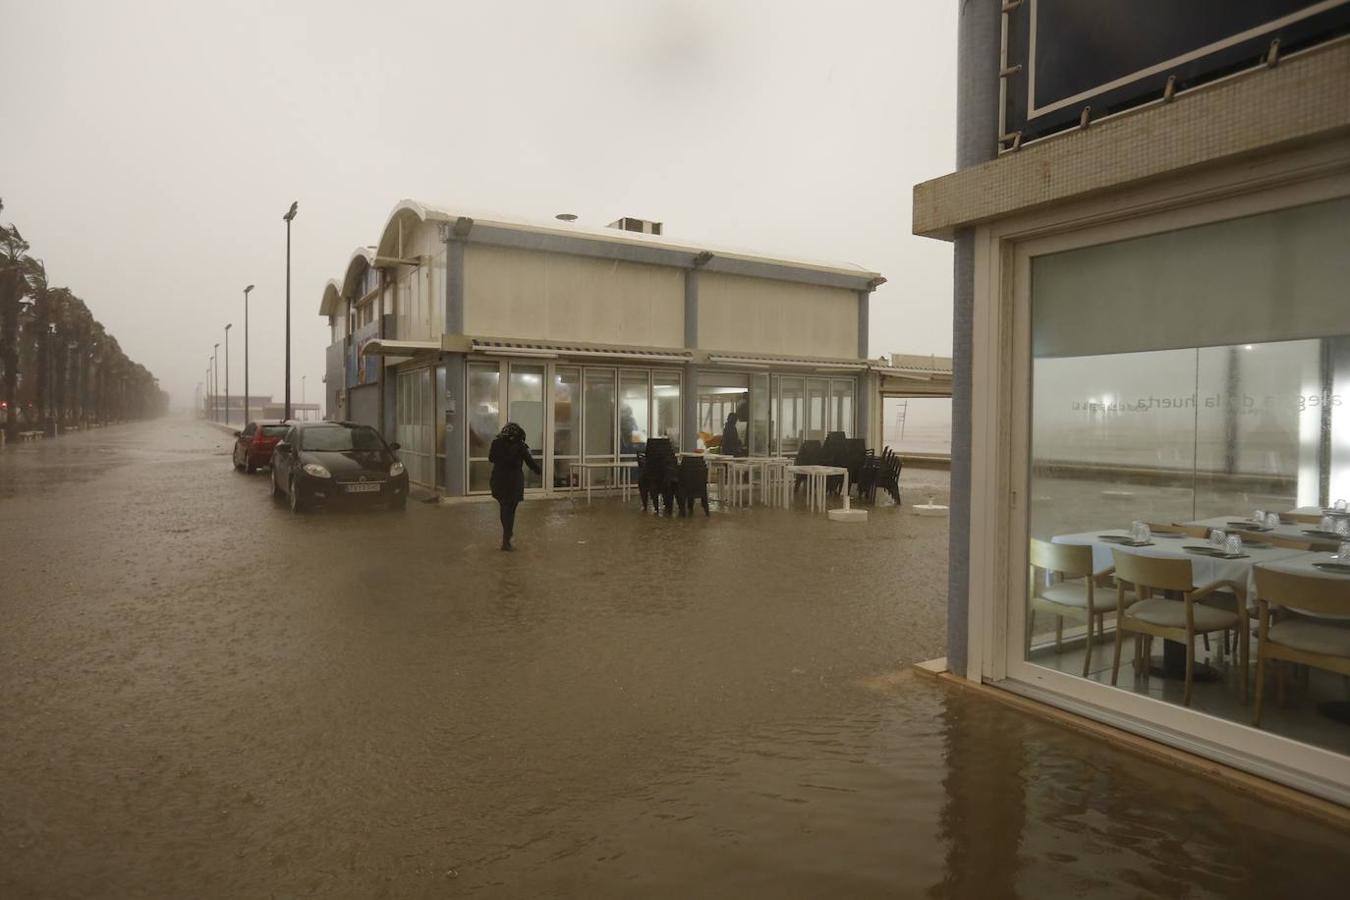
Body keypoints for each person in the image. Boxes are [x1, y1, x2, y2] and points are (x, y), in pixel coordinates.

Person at [488, 422, 541, 551]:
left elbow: (491, 458)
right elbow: (530, 462)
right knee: (511, 510)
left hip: (498, 480)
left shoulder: (496, 443)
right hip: (513, 482)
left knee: (504, 507)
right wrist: (539, 471)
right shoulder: (520, 446)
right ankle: (507, 538)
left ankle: (507, 536)